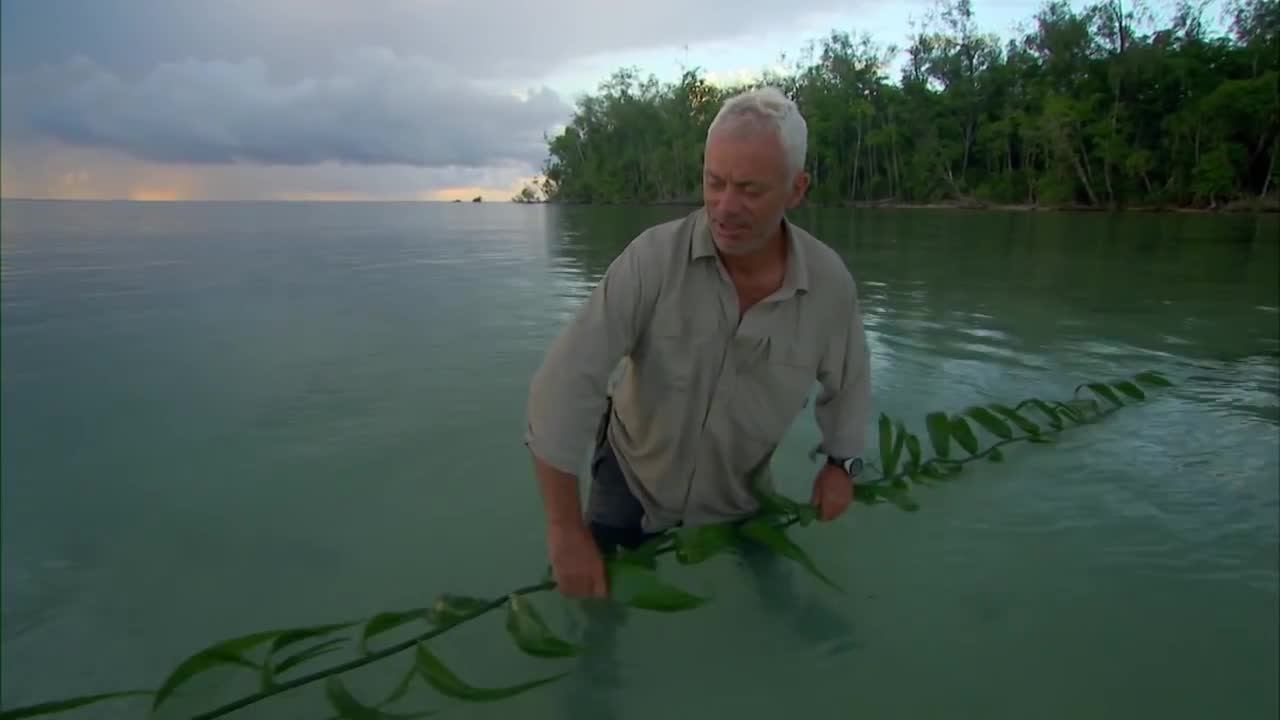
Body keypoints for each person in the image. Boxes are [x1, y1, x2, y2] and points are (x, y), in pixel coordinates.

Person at [524, 86, 871, 599]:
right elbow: (566, 384)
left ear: (796, 190)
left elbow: (851, 382)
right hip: (633, 474)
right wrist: (562, 528)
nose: (725, 207)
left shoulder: (829, 285)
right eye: (715, 182)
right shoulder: (652, 260)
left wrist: (843, 465)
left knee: (777, 591)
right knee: (599, 599)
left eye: (750, 190)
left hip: (742, 488)